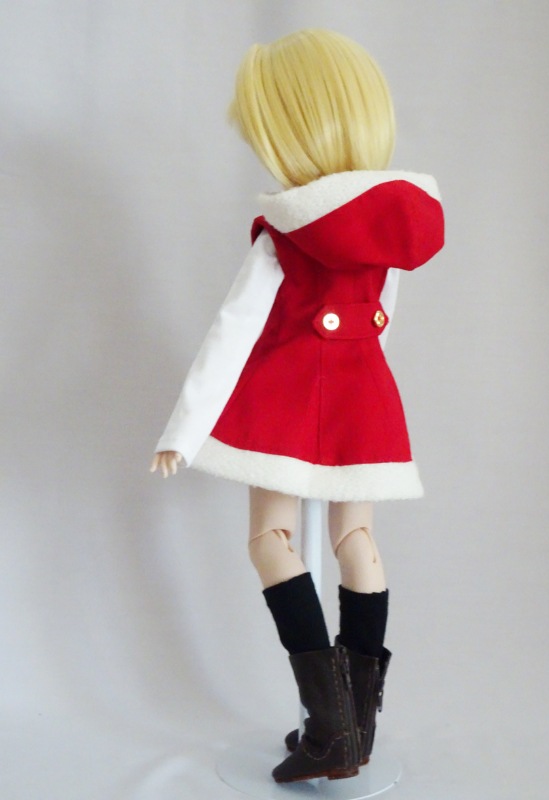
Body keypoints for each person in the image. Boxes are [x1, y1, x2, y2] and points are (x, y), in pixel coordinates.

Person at [151, 28, 444, 783]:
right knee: (359, 540)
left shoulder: (285, 233)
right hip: (366, 400)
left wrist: (184, 430)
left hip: (287, 403)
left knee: (269, 538)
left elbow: (233, 332)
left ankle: (330, 724)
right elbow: (383, 319)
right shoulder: (390, 226)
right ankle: (358, 726)